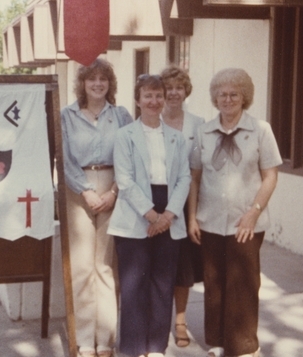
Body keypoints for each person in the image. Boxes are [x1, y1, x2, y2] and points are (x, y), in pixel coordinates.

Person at [188, 68, 282, 357]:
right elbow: (195, 177)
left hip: (246, 222)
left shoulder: (261, 130)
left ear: (244, 98)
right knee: (214, 284)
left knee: (244, 283)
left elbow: (270, 176)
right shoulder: (203, 132)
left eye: (234, 94)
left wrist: (254, 212)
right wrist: (192, 217)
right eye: (222, 94)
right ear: (215, 98)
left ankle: (243, 346)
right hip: (210, 220)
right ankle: (217, 342)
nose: (227, 99)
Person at [108, 74, 191, 357]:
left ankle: (156, 346)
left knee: (162, 282)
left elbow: (184, 178)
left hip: (169, 210)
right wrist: (151, 215)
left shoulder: (177, 138)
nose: (154, 101)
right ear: (138, 100)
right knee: (134, 284)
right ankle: (132, 349)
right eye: (148, 96)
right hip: (137, 213)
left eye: (159, 95)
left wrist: (167, 215)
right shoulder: (125, 136)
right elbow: (125, 180)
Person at [61, 58, 132, 357]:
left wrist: (114, 191)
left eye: (103, 79)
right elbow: (62, 158)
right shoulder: (67, 116)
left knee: (105, 266)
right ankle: (84, 341)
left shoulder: (121, 116)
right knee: (81, 267)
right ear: (83, 84)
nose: (98, 84)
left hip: (114, 187)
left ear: (110, 84)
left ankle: (105, 341)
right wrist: (86, 191)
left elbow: (131, 156)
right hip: (78, 188)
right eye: (92, 79)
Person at [160, 64, 205, 348]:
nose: (173, 93)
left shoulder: (198, 124)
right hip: (156, 200)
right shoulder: (152, 119)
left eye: (179, 87)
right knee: (157, 265)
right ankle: (156, 321)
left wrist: (192, 217)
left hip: (187, 199)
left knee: (182, 268)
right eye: (168, 88)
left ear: (186, 91)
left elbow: (197, 173)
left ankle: (180, 321)